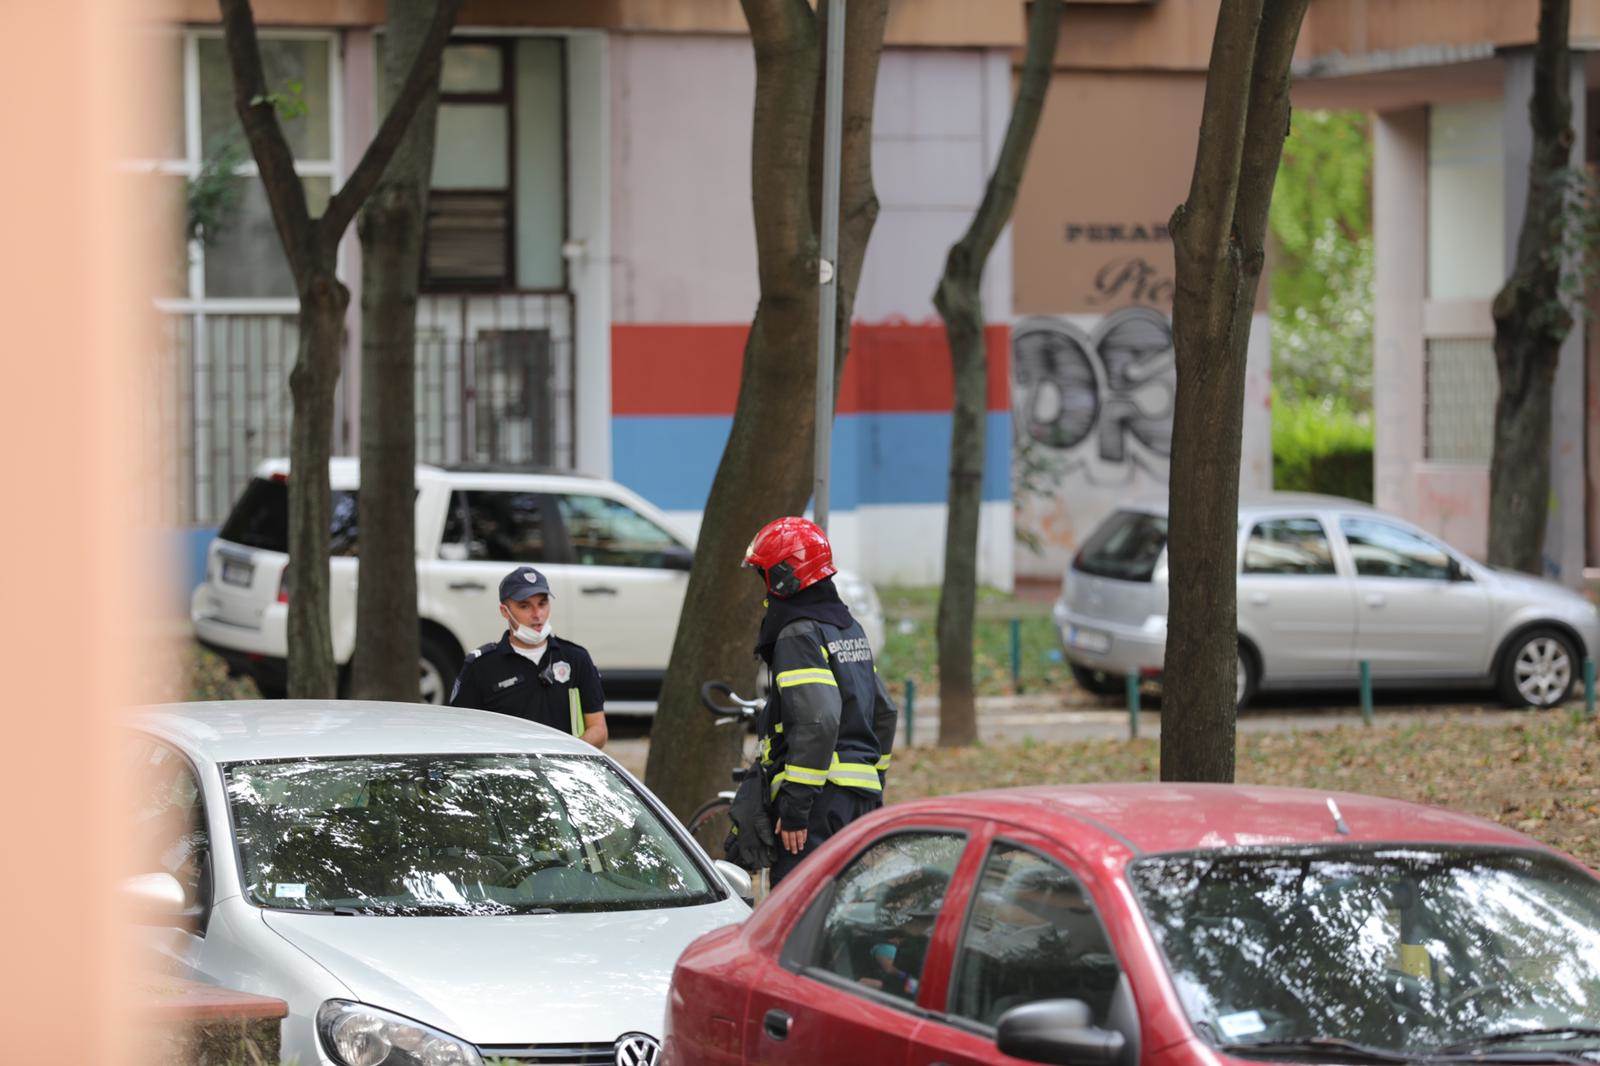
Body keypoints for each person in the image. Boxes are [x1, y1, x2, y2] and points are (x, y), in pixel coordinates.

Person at [743, 516, 896, 884]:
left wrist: (795, 808)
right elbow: (885, 712)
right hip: (857, 800)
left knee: (796, 916)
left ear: (782, 576)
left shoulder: (799, 633)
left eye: (763, 575)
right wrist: (873, 783)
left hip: (817, 804)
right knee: (843, 911)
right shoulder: (847, 627)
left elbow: (818, 721)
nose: (762, 588)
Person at [447, 566, 608, 748]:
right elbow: (460, 734)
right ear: (504, 611)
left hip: (561, 772)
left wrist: (566, 755)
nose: (537, 614)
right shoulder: (481, 665)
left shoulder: (575, 658)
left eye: (542, 603)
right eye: (525, 606)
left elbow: (598, 729)